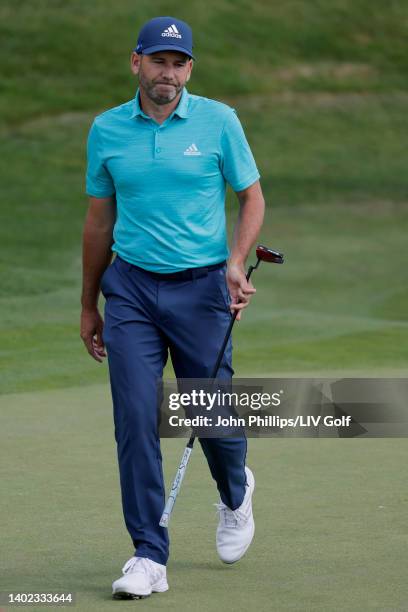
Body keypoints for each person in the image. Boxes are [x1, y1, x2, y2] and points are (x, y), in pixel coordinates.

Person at [81, 15, 265, 600]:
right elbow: (98, 220)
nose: (168, 72)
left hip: (202, 289)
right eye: (158, 61)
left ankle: (236, 492)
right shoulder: (107, 130)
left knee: (209, 415)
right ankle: (147, 554)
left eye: (178, 62)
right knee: (136, 417)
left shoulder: (218, 121)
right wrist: (89, 303)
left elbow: (252, 197)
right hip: (131, 289)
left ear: (190, 68)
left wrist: (236, 262)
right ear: (136, 63)